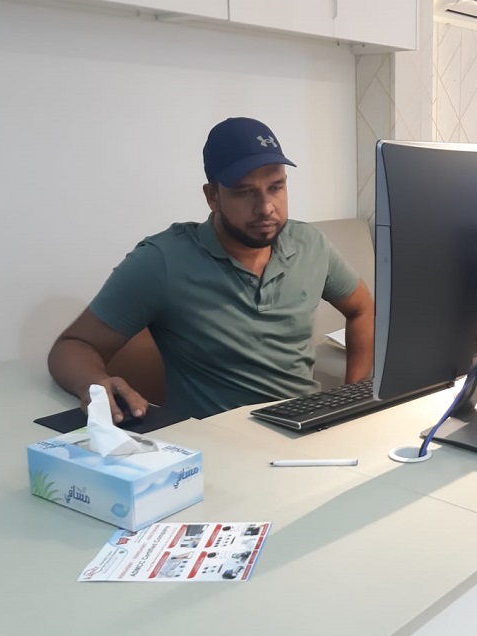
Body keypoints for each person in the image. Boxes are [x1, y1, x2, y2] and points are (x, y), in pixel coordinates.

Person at [48, 117, 374, 421]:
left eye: (276, 187)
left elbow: (362, 309)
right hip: (218, 443)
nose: (266, 208)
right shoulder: (164, 260)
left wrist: (351, 398)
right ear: (212, 196)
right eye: (245, 192)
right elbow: (72, 346)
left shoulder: (311, 245)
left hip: (307, 428)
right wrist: (94, 383)